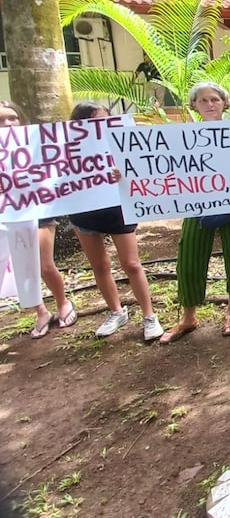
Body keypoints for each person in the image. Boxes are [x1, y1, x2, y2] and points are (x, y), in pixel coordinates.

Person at [160, 83, 230, 343]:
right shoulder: (182, 136)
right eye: (203, 100)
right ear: (194, 105)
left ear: (225, 103)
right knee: (190, 254)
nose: (210, 104)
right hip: (197, 205)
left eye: (215, 99)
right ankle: (188, 316)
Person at [67, 103, 164, 341]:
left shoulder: (119, 142)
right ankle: (116, 312)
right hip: (83, 210)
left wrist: (121, 174)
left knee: (131, 264)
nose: (100, 126)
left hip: (116, 208)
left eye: (103, 120)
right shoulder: (66, 148)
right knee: (99, 266)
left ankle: (149, 316)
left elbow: (139, 165)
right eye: (92, 122)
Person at [0, 101, 78, 338]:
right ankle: (41, 312)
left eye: (11, 117)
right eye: (0, 120)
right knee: (24, 267)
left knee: (44, 265)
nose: (7, 123)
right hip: (8, 217)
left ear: (21, 119)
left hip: (39, 212)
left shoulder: (36, 143)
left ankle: (64, 303)